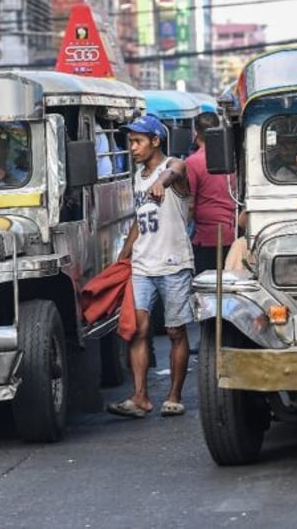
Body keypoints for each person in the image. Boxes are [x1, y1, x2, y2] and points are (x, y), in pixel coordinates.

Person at [107, 114, 194, 419]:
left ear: (155, 141)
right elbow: (139, 220)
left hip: (174, 263)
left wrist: (161, 180)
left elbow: (177, 169)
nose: (132, 148)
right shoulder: (137, 177)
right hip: (143, 265)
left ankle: (174, 396)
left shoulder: (173, 169)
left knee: (174, 331)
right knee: (138, 329)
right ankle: (140, 397)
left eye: (138, 141)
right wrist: (125, 252)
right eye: (130, 142)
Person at [186, 111, 236, 274]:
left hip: (205, 238)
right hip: (231, 234)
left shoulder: (192, 162)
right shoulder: (233, 159)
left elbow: (190, 205)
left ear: (196, 133)